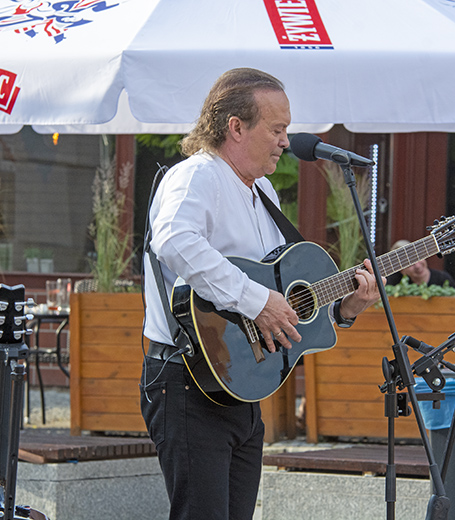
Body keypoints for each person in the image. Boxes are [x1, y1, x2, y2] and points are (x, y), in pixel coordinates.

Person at [140, 68, 380, 520]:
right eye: (276, 129)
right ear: (235, 127)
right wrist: (255, 301)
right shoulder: (197, 176)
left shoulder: (263, 191)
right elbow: (172, 239)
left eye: (286, 130)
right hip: (187, 382)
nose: (286, 141)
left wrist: (343, 309)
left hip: (242, 383)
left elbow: (282, 292)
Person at [386, 239, 455, 287]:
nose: (417, 266)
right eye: (410, 264)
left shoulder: (443, 279)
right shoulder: (392, 283)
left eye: (418, 258)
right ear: (402, 271)